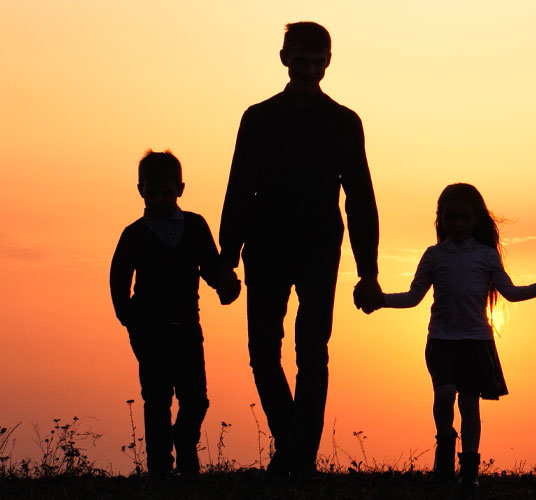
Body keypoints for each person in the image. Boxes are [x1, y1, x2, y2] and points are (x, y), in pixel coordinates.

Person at [218, 21, 381, 478]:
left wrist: (367, 271)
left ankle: (297, 457)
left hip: (318, 248)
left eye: (317, 60)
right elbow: (238, 188)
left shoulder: (344, 122)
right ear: (284, 58)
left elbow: (361, 199)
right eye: (301, 59)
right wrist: (226, 259)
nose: (309, 68)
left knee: (313, 351)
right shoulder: (258, 117)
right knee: (263, 353)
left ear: (328, 62)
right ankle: (294, 448)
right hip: (265, 246)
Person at [358, 183, 536, 499]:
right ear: (441, 220)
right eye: (450, 218)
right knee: (443, 395)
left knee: (468, 404)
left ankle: (469, 474)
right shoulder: (433, 255)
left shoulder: (486, 256)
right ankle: (444, 444)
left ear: (476, 220)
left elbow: (511, 292)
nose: (457, 224)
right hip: (441, 341)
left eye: (464, 218)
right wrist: (380, 299)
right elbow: (413, 297)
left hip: (476, 342)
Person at [110, 150, 240, 478]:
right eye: (151, 193)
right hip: (149, 330)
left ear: (180, 189)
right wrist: (129, 317)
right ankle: (160, 469)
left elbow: (211, 269)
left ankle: (183, 443)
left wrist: (228, 286)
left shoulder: (195, 227)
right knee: (156, 400)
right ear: (140, 191)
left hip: (187, 327)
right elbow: (118, 277)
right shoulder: (134, 234)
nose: (158, 200)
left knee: (196, 399)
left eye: (165, 193)